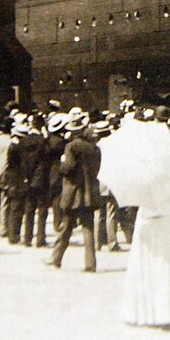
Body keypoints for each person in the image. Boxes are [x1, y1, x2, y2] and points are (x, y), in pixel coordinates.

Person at [119, 119, 170, 327]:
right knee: (167, 264)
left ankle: (144, 311)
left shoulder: (138, 169)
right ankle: (167, 312)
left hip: (146, 221)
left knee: (145, 264)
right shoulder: (168, 170)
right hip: (164, 220)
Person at [49, 116, 101, 271]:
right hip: (89, 193)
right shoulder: (94, 148)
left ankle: (56, 258)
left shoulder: (71, 147)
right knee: (88, 228)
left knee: (66, 227)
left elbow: (68, 168)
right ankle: (90, 263)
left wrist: (61, 164)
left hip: (73, 193)